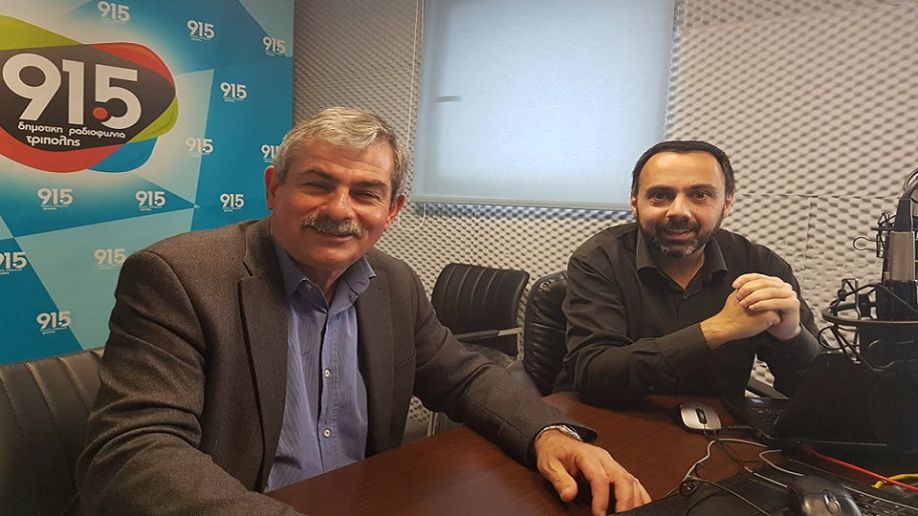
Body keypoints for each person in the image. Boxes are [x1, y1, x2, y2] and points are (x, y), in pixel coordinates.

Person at [76, 107, 650, 515]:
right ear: (274, 189)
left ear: (392, 209)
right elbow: (134, 450)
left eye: (365, 193)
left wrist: (549, 433)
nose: (339, 209)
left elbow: (464, 377)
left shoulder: (394, 283)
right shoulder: (179, 276)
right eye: (317, 184)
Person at [559, 140, 821, 407]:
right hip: (615, 419)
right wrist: (718, 329)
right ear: (635, 202)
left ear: (727, 203)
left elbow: (820, 396)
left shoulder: (761, 265)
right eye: (660, 195)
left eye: (700, 195)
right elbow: (593, 375)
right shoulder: (599, 260)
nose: (678, 211)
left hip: (720, 427)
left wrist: (792, 336)